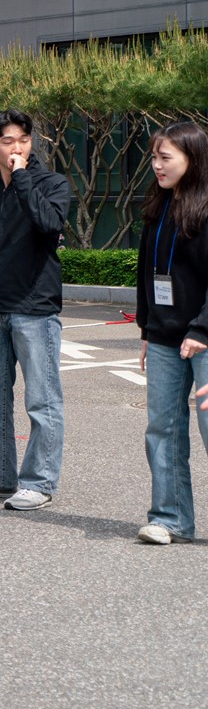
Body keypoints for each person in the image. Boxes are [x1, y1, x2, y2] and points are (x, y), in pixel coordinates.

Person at [0, 109, 71, 512]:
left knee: (42, 400)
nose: (17, 147)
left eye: (23, 139)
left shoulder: (52, 183)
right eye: (7, 141)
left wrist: (22, 177)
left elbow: (48, 224)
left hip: (34, 308)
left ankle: (38, 481)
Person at [137, 121, 208, 545]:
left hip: (203, 335)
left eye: (166, 158)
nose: (156, 165)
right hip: (164, 334)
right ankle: (170, 518)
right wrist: (147, 327)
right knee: (162, 428)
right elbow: (147, 271)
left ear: (192, 159)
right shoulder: (159, 202)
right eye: (154, 157)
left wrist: (202, 329)